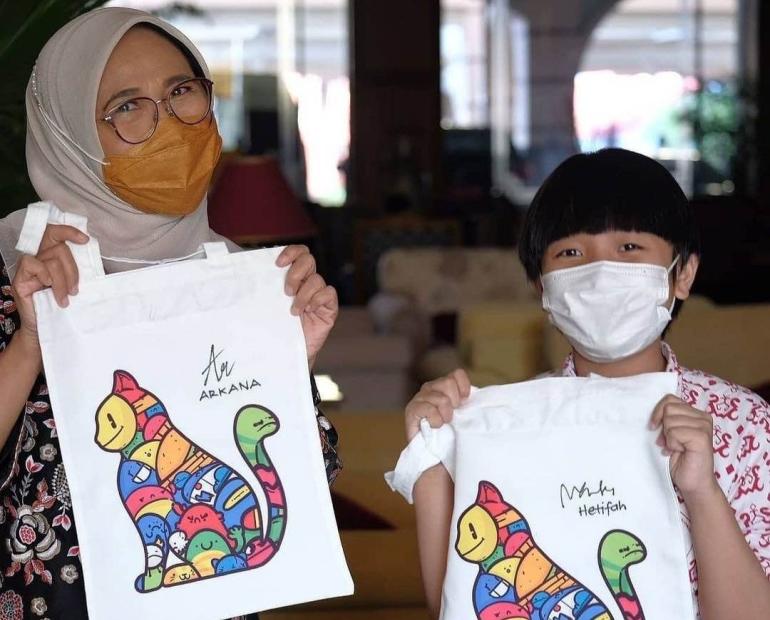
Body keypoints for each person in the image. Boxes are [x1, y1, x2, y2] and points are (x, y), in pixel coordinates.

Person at [0, 8, 341, 619]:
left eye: (181, 91)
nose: (167, 124)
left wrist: (288, 360)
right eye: (127, 106)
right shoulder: (17, 275)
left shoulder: (238, 283)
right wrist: (30, 340)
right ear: (69, 132)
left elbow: (305, 486)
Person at [404, 149, 770, 619]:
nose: (599, 272)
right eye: (571, 253)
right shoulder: (510, 428)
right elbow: (455, 607)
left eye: (629, 249)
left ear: (683, 274)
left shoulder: (743, 423)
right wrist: (430, 458)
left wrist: (703, 492)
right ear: (542, 288)